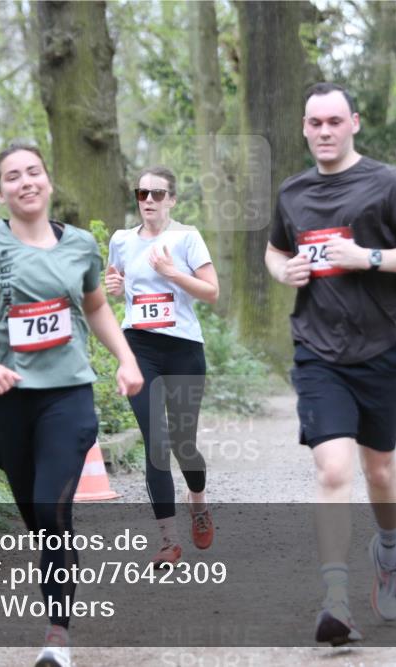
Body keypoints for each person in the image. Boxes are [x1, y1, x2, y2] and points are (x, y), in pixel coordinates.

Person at [0, 143, 143, 667]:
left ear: (48, 181)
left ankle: (57, 635)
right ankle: (59, 572)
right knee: (38, 515)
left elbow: (96, 308)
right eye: (13, 176)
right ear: (1, 191)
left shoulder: (79, 246)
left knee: (53, 509)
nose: (25, 182)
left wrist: (125, 359)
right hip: (8, 401)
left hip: (68, 395)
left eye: (34, 172)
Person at [264, 82, 396, 645]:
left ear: (354, 124)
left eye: (334, 122)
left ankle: (388, 551)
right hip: (318, 351)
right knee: (334, 471)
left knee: (380, 471)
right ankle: (337, 599)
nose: (324, 131)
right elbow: (275, 249)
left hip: (381, 348)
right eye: (315, 122)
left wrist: (369, 256)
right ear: (304, 127)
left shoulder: (386, 184)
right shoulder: (292, 193)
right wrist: (284, 271)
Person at [105, 166, 220, 567]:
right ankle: (168, 541)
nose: (149, 201)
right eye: (142, 194)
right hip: (139, 347)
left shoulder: (187, 238)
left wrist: (172, 273)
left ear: (171, 200)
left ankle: (199, 502)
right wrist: (115, 287)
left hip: (184, 350)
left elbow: (211, 292)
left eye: (157, 194)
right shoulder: (120, 240)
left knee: (183, 444)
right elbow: (115, 280)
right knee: (155, 443)